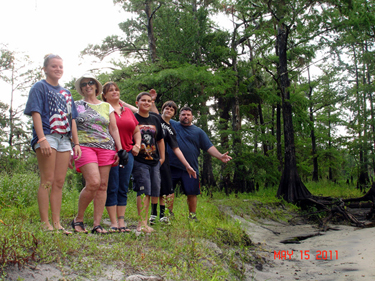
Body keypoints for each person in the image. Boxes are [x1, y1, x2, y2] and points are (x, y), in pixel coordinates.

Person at [24, 54, 81, 235]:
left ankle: (57, 223)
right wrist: (41, 139)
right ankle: (44, 222)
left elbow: (72, 119)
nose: (58, 69)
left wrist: (76, 143)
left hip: (65, 138)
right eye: (54, 66)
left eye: (60, 67)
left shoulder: (67, 93)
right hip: (48, 135)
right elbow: (36, 113)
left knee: (59, 181)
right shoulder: (39, 87)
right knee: (47, 180)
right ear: (45, 69)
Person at [71, 74, 124, 234]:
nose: (88, 86)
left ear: (96, 87)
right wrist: (73, 146)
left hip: (106, 147)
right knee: (93, 182)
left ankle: (97, 224)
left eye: (91, 83)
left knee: (102, 186)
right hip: (85, 146)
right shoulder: (76, 105)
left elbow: (113, 128)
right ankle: (78, 220)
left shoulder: (106, 106)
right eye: (84, 84)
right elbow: (71, 126)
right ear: (81, 89)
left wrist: (119, 149)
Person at [168, 106, 232, 221]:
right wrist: (152, 101)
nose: (185, 116)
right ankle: (168, 215)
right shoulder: (172, 124)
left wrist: (220, 156)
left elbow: (209, 147)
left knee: (192, 193)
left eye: (188, 115)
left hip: (191, 168)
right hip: (172, 165)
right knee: (168, 191)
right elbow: (156, 114)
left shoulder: (198, 132)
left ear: (192, 117)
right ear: (179, 116)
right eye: (183, 114)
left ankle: (192, 216)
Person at [148, 93, 196, 224]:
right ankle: (153, 214)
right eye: (166, 108)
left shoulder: (171, 130)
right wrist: (152, 100)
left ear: (174, 113)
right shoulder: (156, 119)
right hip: (149, 156)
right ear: (162, 110)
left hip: (164, 160)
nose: (168, 110)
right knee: (154, 187)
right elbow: (143, 109)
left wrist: (187, 165)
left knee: (165, 187)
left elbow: (176, 149)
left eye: (171, 109)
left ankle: (163, 215)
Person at [101, 82, 141, 233]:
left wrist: (137, 145)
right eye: (110, 90)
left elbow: (136, 131)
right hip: (110, 152)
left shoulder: (128, 111)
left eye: (116, 89)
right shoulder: (103, 110)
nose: (114, 92)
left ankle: (122, 220)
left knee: (123, 187)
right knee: (112, 186)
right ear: (104, 95)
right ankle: (113, 222)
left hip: (128, 153)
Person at [132, 92, 165, 233]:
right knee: (143, 191)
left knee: (153, 191)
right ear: (137, 103)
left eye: (149, 100)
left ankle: (145, 223)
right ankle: (141, 223)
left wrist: (162, 158)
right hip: (139, 160)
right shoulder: (133, 118)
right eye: (143, 100)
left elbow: (160, 140)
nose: (146, 103)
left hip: (155, 161)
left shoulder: (155, 119)